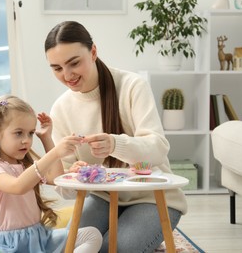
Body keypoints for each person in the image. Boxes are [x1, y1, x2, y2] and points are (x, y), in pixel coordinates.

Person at [44, 21, 188, 253]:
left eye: (74, 63)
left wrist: (115, 144)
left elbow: (158, 147)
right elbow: (67, 191)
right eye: (57, 68)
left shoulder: (132, 86)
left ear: (93, 52)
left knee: (111, 249)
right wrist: (73, 174)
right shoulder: (61, 108)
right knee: (68, 247)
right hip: (104, 198)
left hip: (151, 198)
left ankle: (141, 233)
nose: (67, 75)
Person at [0, 95, 102, 253]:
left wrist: (46, 138)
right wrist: (56, 153)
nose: (26, 140)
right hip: (8, 245)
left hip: (38, 238)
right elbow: (18, 186)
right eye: (18, 133)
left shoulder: (24, 166)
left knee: (91, 235)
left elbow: (55, 177)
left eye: (30, 133)